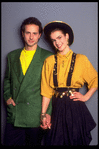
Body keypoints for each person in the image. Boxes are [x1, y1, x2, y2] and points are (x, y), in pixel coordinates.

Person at [40, 21, 98, 145]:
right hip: (57, 108)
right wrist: (44, 114)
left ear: (67, 36)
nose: (57, 42)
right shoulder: (49, 61)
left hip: (75, 108)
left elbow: (95, 79)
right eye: (54, 40)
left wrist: (86, 96)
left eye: (59, 37)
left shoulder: (81, 59)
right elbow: (46, 91)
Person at [3, 17, 52, 146]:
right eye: (28, 33)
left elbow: (50, 87)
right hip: (15, 113)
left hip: (35, 115)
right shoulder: (12, 56)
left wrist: (47, 113)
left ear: (39, 35)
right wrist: (7, 97)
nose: (31, 37)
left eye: (35, 33)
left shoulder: (47, 57)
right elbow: (7, 79)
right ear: (22, 34)